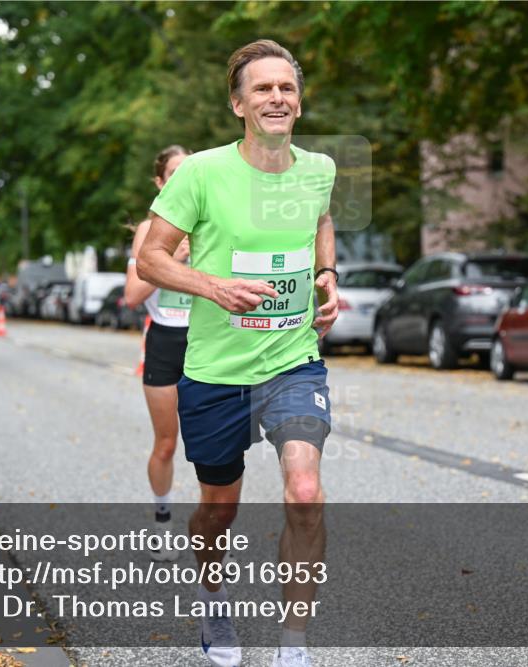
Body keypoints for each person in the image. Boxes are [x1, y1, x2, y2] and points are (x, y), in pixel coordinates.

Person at [138, 39, 339, 667]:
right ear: (238, 103)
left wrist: (327, 274)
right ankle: (212, 596)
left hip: (292, 362)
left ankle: (293, 644)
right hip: (214, 371)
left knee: (305, 491)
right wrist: (213, 286)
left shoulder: (320, 169)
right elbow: (151, 257)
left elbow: (320, 222)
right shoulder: (201, 173)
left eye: (286, 88)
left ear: (299, 103)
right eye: (262, 88)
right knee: (216, 512)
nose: (276, 97)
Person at [124, 144, 193, 562]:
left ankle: (211, 527)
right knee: (167, 444)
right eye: (175, 173)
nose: (183, 180)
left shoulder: (211, 223)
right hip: (165, 342)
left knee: (215, 445)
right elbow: (132, 295)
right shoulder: (148, 233)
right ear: (161, 182)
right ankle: (163, 520)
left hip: (208, 342)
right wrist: (170, 259)